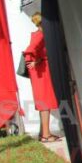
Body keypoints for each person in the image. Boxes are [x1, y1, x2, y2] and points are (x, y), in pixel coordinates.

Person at [23, 12, 61, 142]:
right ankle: (46, 135)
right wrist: (33, 61)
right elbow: (30, 50)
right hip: (41, 72)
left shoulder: (39, 34)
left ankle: (43, 133)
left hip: (41, 71)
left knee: (44, 103)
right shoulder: (40, 35)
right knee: (45, 103)